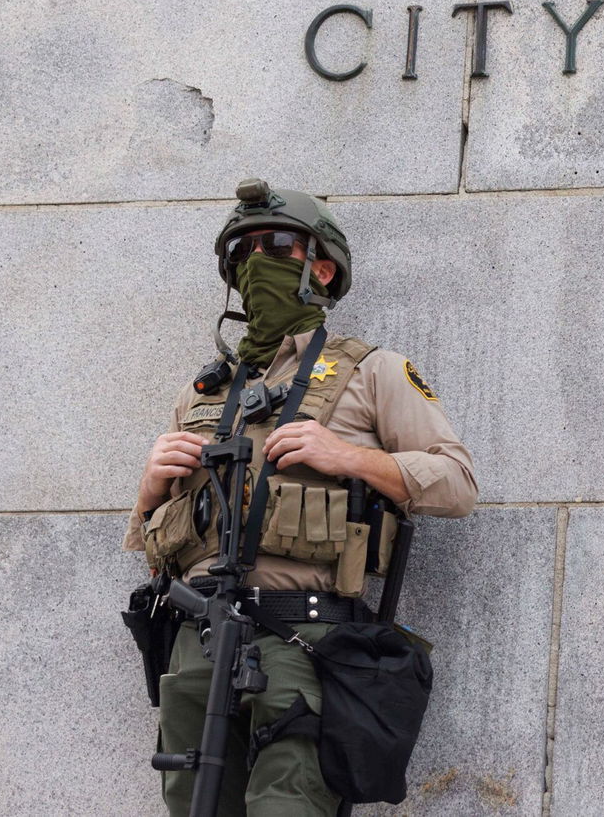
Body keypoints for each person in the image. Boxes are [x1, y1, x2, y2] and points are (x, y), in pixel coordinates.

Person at [123, 178, 478, 817]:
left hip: (302, 637)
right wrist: (149, 489)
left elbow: (456, 483)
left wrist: (350, 458)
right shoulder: (203, 393)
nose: (258, 259)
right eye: (245, 250)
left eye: (278, 245)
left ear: (321, 267)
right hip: (195, 638)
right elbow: (153, 547)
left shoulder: (373, 370)